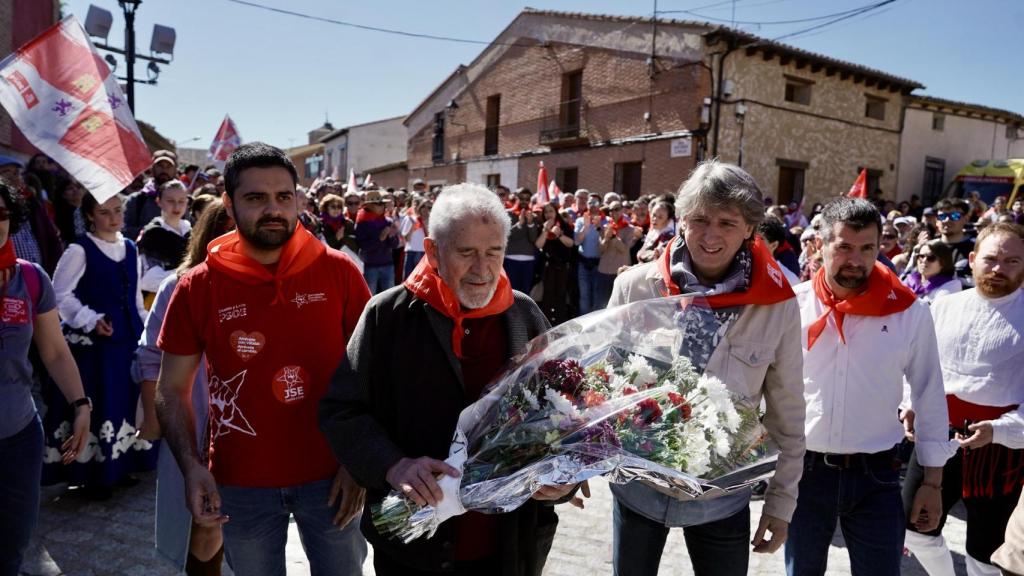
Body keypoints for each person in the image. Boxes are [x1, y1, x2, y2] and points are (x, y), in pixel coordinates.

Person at [319, 183, 579, 575]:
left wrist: (565, 479)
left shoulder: (523, 315)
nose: (482, 269)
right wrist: (393, 465)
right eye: (466, 253)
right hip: (414, 547)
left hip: (510, 546)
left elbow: (570, 408)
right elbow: (342, 409)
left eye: (494, 253)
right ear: (432, 251)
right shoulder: (388, 316)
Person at [155, 143, 370, 575]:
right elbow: (171, 390)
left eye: (283, 197)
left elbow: (374, 374)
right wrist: (191, 467)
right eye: (255, 198)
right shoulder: (196, 287)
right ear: (229, 206)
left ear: (298, 200)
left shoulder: (340, 272)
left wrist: (359, 463)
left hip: (333, 478)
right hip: (240, 484)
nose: (273, 209)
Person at [608, 160, 806, 576]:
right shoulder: (635, 287)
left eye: (727, 223)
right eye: (699, 220)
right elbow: (605, 388)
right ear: (681, 221)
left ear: (751, 228)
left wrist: (781, 503)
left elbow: (787, 409)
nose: (711, 235)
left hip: (722, 496)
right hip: (639, 487)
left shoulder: (777, 304)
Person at [787, 197, 952, 576]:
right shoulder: (791, 307)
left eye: (867, 249)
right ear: (819, 245)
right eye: (844, 247)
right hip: (804, 473)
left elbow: (929, 394)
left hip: (876, 475)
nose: (856, 261)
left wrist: (933, 481)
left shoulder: (909, 312)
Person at [902, 222, 1024, 576]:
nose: (999, 268)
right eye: (990, 259)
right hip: (937, 432)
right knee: (916, 526)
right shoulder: (942, 307)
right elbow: (916, 365)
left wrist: (1000, 431)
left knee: (987, 549)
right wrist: (910, 403)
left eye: (1012, 261)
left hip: (1000, 447)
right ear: (971, 260)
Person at [134, 200, 234, 575]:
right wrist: (152, 414)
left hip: (249, 427)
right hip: (194, 421)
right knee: (205, 524)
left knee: (235, 523)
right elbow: (149, 356)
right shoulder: (178, 286)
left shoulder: (268, 286)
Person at [0, 181, 90, 576]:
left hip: (18, 435)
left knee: (10, 549)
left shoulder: (31, 278)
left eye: (1, 214)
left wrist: (81, 404)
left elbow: (53, 351)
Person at [44, 192, 155, 498]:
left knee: (122, 401)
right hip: (95, 346)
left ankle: (119, 467)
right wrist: (90, 319)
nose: (114, 217)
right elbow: (59, 294)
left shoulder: (131, 247)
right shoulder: (79, 250)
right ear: (91, 215)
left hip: (126, 341)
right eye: (105, 212)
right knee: (99, 402)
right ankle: (90, 473)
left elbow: (134, 299)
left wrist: (148, 330)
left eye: (118, 210)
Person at [137, 180, 192, 299]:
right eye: (170, 201)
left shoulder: (191, 232)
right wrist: (187, 273)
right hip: (161, 300)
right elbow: (146, 280)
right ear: (159, 201)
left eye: (181, 201)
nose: (177, 206)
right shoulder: (152, 234)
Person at [355, 189, 401, 294]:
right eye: (378, 204)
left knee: (389, 297)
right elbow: (363, 246)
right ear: (369, 206)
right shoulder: (362, 223)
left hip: (388, 265)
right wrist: (380, 238)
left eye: (382, 204)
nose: (382, 206)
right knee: (370, 296)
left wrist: (392, 237)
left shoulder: (388, 221)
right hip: (370, 266)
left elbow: (395, 245)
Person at [535, 201, 574, 324]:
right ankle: (546, 323)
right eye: (546, 212)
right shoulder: (541, 226)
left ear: (556, 212)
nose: (548, 214)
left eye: (551, 211)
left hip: (562, 265)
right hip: (548, 265)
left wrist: (559, 234)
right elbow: (538, 244)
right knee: (548, 295)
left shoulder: (564, 225)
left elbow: (571, 244)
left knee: (561, 295)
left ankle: (560, 322)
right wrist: (546, 230)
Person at [125, 151, 177, 240]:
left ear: (175, 170)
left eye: (169, 166)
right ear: (152, 168)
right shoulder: (136, 200)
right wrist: (150, 231)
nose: (164, 170)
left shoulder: (183, 201)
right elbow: (123, 232)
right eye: (160, 166)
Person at [596, 201, 636, 309]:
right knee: (601, 304)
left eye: (616, 209)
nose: (614, 212)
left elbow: (624, 249)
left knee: (617, 306)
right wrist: (606, 238)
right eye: (611, 210)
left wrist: (613, 237)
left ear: (622, 210)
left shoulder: (630, 228)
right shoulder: (605, 227)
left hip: (619, 272)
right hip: (604, 270)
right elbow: (600, 249)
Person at [903, 239, 962, 304]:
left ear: (943, 263)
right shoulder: (908, 281)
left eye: (931, 258)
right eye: (921, 256)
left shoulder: (952, 285)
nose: (924, 261)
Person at [503, 188, 539, 294]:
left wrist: (530, 223)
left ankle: (523, 311)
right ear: (516, 198)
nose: (524, 201)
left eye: (527, 199)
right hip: (511, 258)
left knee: (525, 292)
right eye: (522, 198)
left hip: (528, 259)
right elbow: (508, 235)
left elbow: (533, 238)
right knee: (510, 291)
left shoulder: (534, 216)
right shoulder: (508, 214)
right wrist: (519, 223)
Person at [573, 195, 605, 315]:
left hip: (599, 264)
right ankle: (584, 325)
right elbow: (576, 241)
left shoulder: (606, 220)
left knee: (597, 296)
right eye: (590, 202)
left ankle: (595, 326)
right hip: (584, 263)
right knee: (584, 296)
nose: (593, 205)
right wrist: (586, 227)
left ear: (600, 205)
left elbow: (607, 241)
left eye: (596, 203)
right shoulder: (581, 220)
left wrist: (599, 227)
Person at [934, 198, 976, 284]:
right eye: (942, 216)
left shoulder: (977, 248)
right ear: (936, 221)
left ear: (966, 219)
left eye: (954, 216)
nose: (947, 220)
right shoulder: (927, 248)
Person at [636, 196, 676, 264]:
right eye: (654, 215)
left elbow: (656, 257)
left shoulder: (668, 236)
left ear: (668, 220)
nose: (655, 219)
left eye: (660, 217)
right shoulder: (653, 232)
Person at [401, 195, 431, 280]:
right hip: (412, 252)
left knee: (423, 281)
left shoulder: (430, 220)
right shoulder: (410, 219)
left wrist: (425, 223)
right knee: (409, 279)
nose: (426, 209)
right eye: (423, 206)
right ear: (418, 208)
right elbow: (406, 239)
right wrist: (413, 225)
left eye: (428, 207)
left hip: (424, 253)